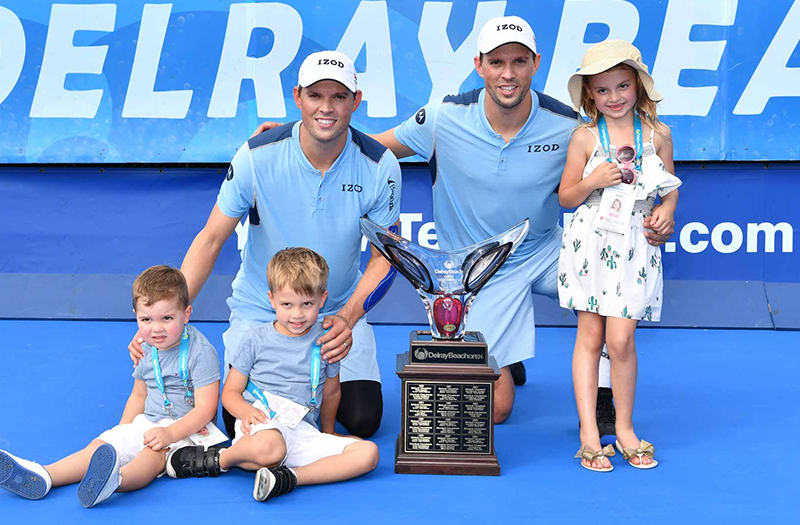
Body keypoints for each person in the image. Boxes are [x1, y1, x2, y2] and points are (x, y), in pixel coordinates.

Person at [128, 51, 401, 439]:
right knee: (239, 421)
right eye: (315, 96)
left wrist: (348, 317)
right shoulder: (257, 156)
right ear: (298, 97)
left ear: (356, 101)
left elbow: (384, 257)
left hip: (333, 312)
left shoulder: (381, 165)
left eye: (339, 97)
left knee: (362, 420)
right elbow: (210, 239)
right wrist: (162, 312)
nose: (326, 108)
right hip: (261, 309)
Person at [165, 248, 379, 503]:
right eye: (286, 304)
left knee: (368, 453)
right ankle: (217, 459)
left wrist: (329, 432)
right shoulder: (255, 339)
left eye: (307, 304)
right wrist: (245, 412)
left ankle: (288, 478)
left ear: (322, 299)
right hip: (261, 427)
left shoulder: (326, 340)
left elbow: (332, 391)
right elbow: (230, 393)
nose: (297, 314)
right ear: (271, 299)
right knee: (271, 447)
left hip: (302, 431)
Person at [557, 40, 680, 471]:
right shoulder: (584, 137)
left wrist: (665, 214)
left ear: (638, 86)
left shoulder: (659, 135)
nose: (614, 97)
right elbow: (567, 196)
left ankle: (625, 428)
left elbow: (670, 189)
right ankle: (589, 432)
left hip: (635, 244)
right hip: (591, 242)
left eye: (622, 86)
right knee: (590, 337)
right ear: (589, 93)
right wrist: (593, 179)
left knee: (621, 340)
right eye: (603, 89)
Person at [0, 266, 220, 506]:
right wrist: (123, 434)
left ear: (186, 314)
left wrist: (170, 433)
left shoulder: (200, 351)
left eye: (167, 318)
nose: (156, 328)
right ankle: (46, 475)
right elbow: (138, 395)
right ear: (135, 315)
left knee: (152, 456)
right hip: (150, 420)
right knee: (103, 444)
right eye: (146, 319)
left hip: (190, 428)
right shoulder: (145, 347)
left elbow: (206, 409)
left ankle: (116, 481)